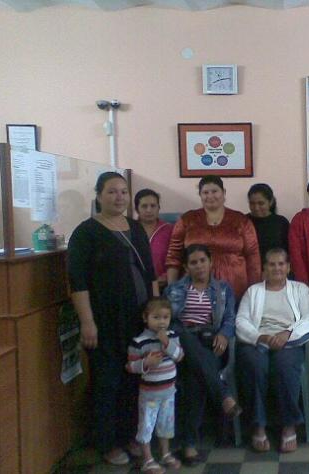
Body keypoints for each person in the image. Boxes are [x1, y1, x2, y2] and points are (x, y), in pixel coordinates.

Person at [68, 171, 157, 465]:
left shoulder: (135, 227)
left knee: (134, 380)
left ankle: (130, 435)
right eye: (111, 192)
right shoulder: (86, 233)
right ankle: (107, 443)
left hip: (138, 319)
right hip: (104, 321)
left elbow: (150, 274)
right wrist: (87, 321)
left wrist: (155, 313)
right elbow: (78, 282)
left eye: (123, 192)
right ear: (98, 195)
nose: (119, 197)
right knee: (108, 381)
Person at [164, 244, 241, 464]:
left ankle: (189, 444)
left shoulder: (223, 289)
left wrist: (224, 334)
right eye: (193, 262)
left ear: (210, 262)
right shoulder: (174, 290)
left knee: (195, 378)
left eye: (202, 261)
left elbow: (230, 319)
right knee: (184, 333)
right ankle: (224, 395)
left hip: (210, 344)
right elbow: (167, 321)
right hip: (182, 344)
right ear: (186, 267)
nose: (199, 266)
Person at [236, 248, 309, 453]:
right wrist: (260, 337)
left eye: (281, 264)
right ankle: (259, 425)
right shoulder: (253, 291)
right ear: (264, 268)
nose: (276, 268)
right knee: (254, 366)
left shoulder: (300, 289)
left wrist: (288, 334)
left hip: (289, 342)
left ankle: (289, 425)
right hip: (258, 341)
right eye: (271, 264)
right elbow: (241, 321)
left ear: (288, 267)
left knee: (284, 366)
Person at [165, 175, 261, 300]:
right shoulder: (187, 220)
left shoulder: (241, 221)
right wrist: (172, 290)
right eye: (205, 192)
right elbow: (174, 257)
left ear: (223, 192)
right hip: (194, 290)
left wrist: (254, 294)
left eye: (214, 191)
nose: (210, 196)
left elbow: (253, 258)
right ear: (200, 195)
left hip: (235, 289)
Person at [127, 298, 183, 474]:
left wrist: (167, 343)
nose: (161, 322)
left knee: (166, 425)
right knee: (146, 426)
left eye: (165, 317)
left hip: (169, 392)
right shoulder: (139, 341)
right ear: (145, 318)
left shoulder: (172, 336)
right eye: (156, 317)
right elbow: (130, 366)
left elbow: (179, 356)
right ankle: (148, 459)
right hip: (149, 394)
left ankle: (165, 454)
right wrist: (146, 363)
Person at [135, 189, 174, 286]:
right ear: (137, 209)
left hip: (164, 285)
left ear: (158, 208)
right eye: (144, 206)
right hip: (137, 286)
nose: (149, 210)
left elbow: (177, 258)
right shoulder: (130, 230)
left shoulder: (170, 230)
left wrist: (167, 277)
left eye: (153, 206)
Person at [247, 183, 290, 263]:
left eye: (261, 203)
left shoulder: (281, 222)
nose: (256, 208)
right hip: (249, 268)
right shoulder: (243, 222)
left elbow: (288, 251)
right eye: (252, 203)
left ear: (270, 202)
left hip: (275, 268)